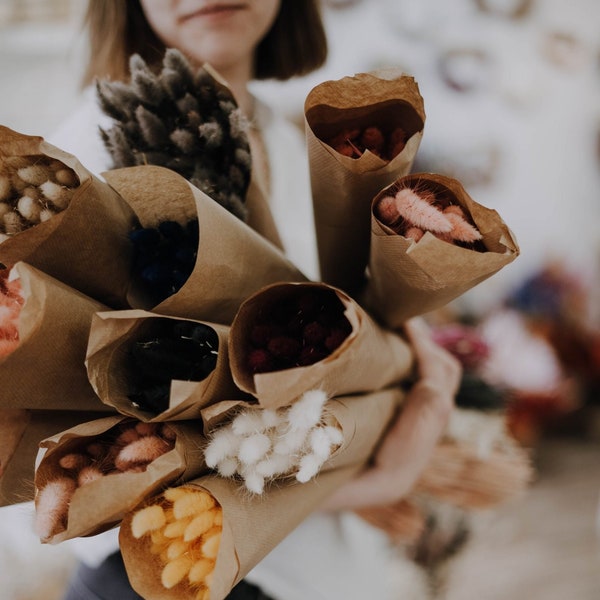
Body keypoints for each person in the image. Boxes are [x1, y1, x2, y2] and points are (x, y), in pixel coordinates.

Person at [47, 2, 462, 598]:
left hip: (310, 568)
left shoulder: (289, 138)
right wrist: (370, 481)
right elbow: (72, 474)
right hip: (182, 569)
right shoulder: (81, 165)